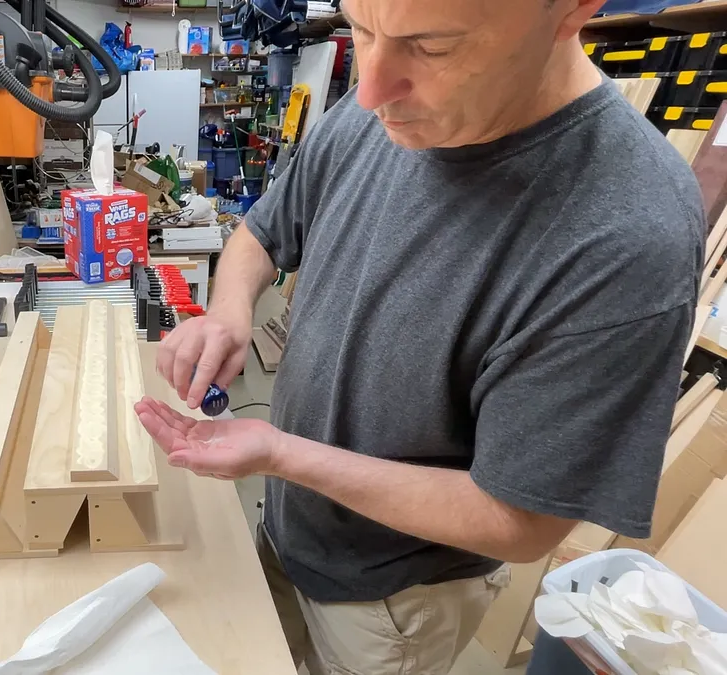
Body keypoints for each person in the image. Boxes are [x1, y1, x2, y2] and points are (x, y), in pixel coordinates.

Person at [134, 0, 704, 673]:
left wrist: (283, 454)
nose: (371, 89)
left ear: (573, 10)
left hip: (391, 602)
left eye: (432, 46)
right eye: (361, 29)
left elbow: (521, 522)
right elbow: (261, 232)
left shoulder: (625, 232)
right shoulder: (381, 108)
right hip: (289, 528)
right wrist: (229, 312)